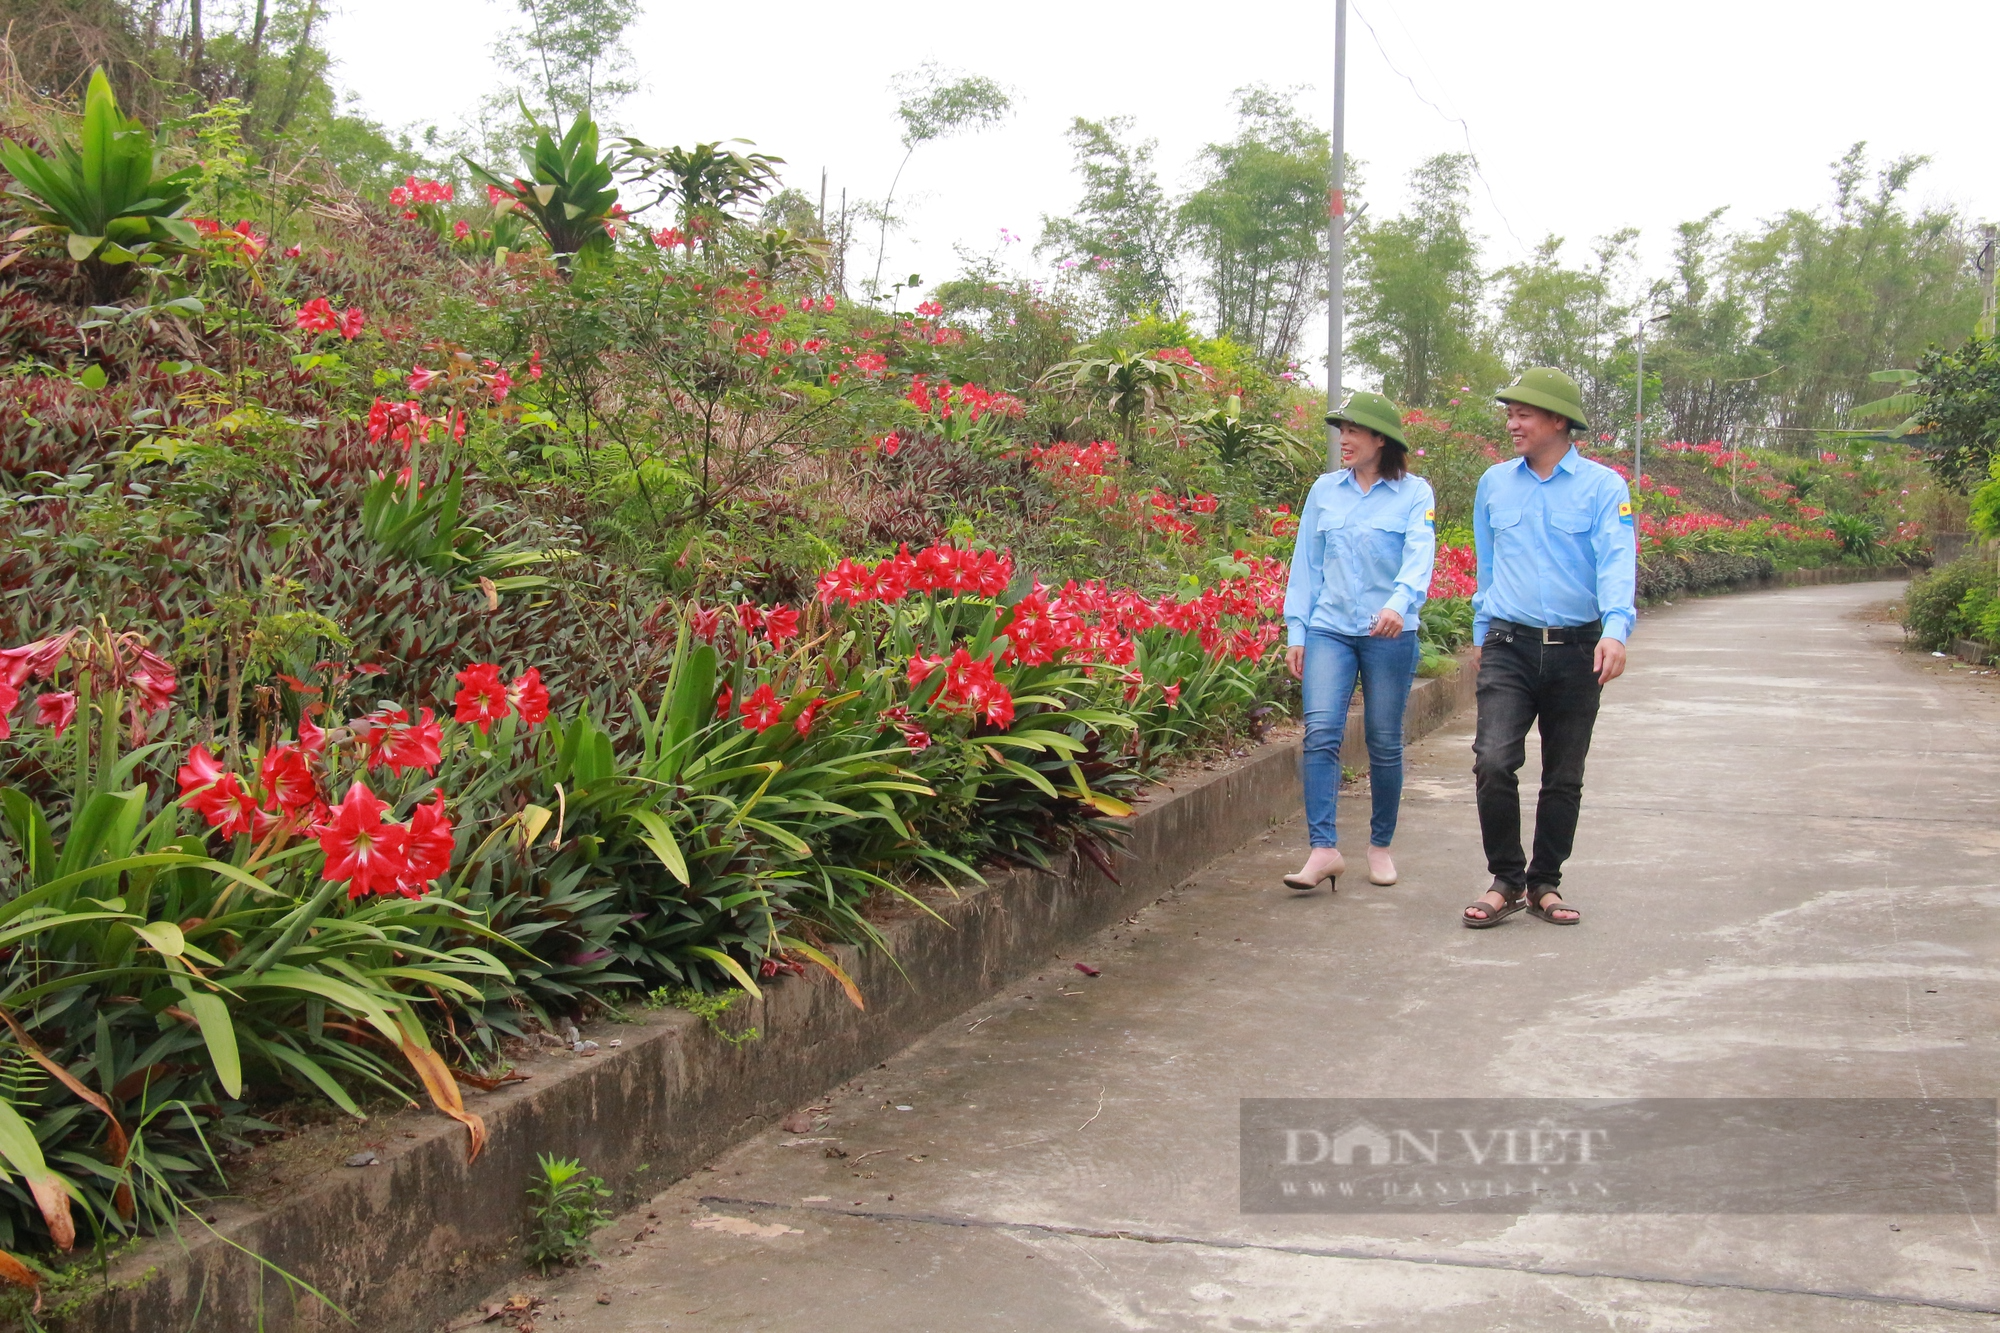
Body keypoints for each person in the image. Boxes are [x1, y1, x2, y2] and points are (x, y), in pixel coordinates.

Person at [1460, 367, 1636, 929]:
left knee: (1564, 774)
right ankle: (1506, 879)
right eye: (1509, 414)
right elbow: (1487, 566)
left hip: (1578, 648)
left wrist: (1615, 629)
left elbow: (1616, 560)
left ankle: (1544, 883)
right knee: (1492, 761)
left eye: (1523, 414)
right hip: (1509, 641)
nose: (1512, 424)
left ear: (1558, 421)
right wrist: (1481, 631)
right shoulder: (1494, 483)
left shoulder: (1604, 487)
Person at [1282, 390, 1437, 894]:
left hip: (1388, 632)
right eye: (1341, 430)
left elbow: (1420, 553)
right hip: (1329, 628)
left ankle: (1380, 846)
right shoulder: (1324, 491)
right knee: (1321, 733)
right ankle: (1323, 849)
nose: (1343, 439)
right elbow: (1305, 564)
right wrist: (1297, 630)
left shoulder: (1416, 494)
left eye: (1353, 430)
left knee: (1383, 742)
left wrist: (1400, 602)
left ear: (1380, 439)